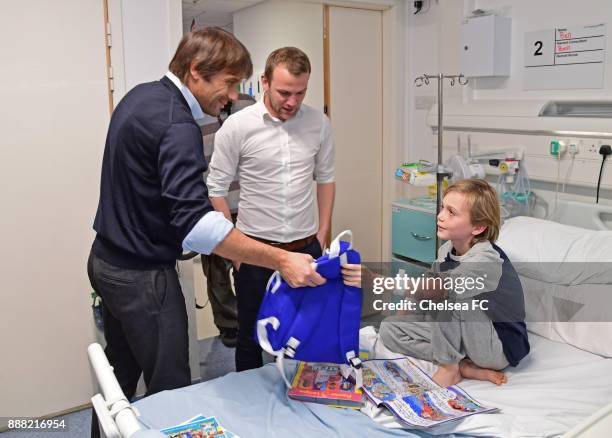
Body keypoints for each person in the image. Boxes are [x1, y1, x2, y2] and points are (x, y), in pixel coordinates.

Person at [88, 29, 325, 435]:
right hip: (143, 277)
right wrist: (281, 259)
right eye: (229, 83)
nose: (233, 95)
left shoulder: (140, 97)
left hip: (106, 261)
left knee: (120, 377)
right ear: (197, 71)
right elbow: (195, 222)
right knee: (173, 391)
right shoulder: (176, 124)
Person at [207, 47, 336, 371]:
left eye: (300, 92)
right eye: (284, 92)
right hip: (255, 251)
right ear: (264, 81)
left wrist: (321, 234)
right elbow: (216, 189)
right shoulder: (237, 127)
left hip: (306, 249)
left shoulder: (318, 123)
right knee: (251, 337)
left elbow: (326, 179)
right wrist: (234, 251)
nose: (292, 101)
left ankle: (301, 406)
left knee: (303, 333)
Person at [344, 179, 530, 387]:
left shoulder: (485, 260)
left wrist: (375, 280)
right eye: (443, 208)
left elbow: (438, 291)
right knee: (389, 329)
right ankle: (463, 365)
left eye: (452, 212)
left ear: (478, 227)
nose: (440, 216)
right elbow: (424, 287)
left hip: (496, 345)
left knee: (449, 297)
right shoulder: (446, 250)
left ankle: (449, 368)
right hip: (465, 336)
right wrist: (402, 320)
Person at [199, 94, 256, 348]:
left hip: (249, 206)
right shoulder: (196, 113)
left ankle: (255, 318)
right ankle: (228, 324)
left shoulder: (248, 104)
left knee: (251, 267)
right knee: (217, 272)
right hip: (211, 204)